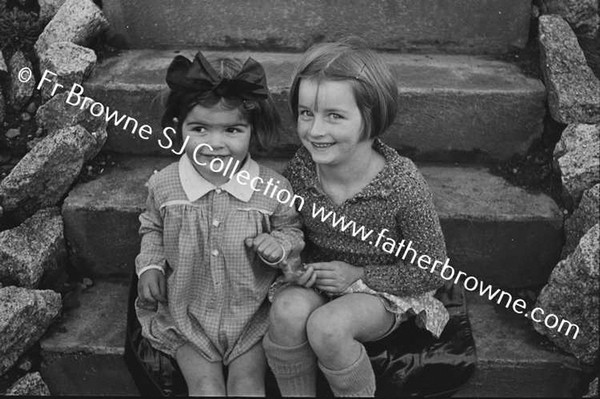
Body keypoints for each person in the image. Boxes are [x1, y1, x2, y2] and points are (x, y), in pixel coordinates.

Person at [263, 40, 451, 397]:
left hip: (383, 288)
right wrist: (292, 260)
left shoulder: (402, 186)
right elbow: (292, 227)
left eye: (334, 115)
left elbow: (432, 268)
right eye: (306, 113)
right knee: (286, 311)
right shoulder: (302, 169)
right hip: (323, 278)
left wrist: (360, 275)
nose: (315, 130)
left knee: (328, 327)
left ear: (372, 117)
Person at [134, 50, 304, 396]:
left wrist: (280, 245)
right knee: (205, 387)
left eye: (232, 129)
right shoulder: (165, 185)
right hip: (187, 316)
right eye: (199, 128)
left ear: (252, 131)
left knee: (247, 385)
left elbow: (291, 228)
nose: (215, 144)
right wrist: (149, 265)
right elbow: (152, 226)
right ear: (179, 127)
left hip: (251, 316)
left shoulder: (271, 189)